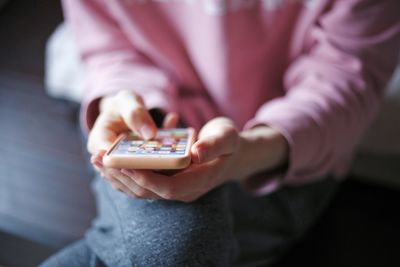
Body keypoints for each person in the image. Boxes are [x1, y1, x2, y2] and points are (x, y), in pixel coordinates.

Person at [41, 0, 400, 266]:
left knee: (177, 249)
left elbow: (346, 72)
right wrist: (122, 102)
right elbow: (112, 45)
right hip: (154, 120)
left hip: (288, 152)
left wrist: (250, 152)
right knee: (176, 247)